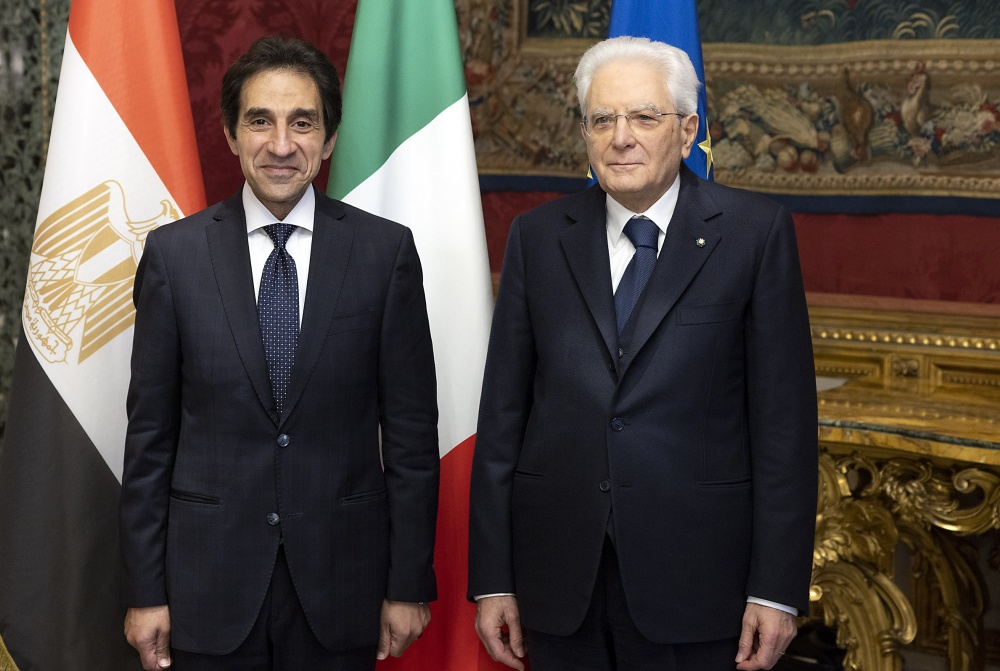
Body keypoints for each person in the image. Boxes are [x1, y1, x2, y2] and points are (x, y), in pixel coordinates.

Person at [469, 36, 817, 671]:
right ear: (584, 131)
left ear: (687, 132)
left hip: (700, 583)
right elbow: (502, 422)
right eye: (602, 119)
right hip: (557, 583)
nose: (620, 137)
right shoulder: (538, 237)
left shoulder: (755, 234)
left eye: (643, 118)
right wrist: (494, 579)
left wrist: (776, 589)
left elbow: (784, 430)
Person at [120, 35, 439, 670]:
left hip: (342, 586)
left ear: (330, 137)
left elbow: (409, 436)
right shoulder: (174, 257)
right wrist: (144, 591)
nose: (282, 144)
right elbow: (149, 439)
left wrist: (407, 584)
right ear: (232, 135)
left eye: (303, 122)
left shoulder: (385, 254)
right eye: (260, 121)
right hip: (206, 588)